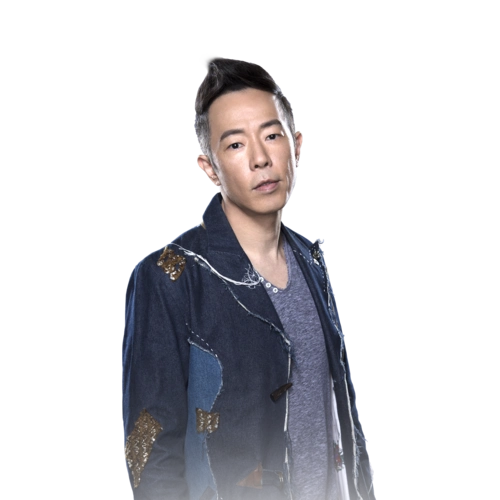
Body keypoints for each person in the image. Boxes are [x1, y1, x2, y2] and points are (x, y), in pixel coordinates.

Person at [121, 53, 375, 499]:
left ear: (296, 146)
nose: (260, 158)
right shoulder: (170, 276)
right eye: (236, 144)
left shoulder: (310, 258)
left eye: (272, 136)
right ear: (210, 168)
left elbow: (342, 415)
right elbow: (149, 452)